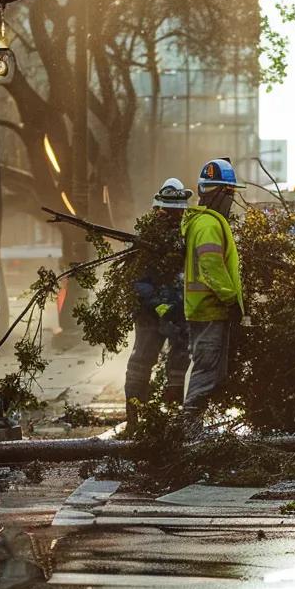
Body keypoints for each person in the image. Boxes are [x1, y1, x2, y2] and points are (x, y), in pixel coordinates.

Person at [179, 159, 246, 431]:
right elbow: (211, 266)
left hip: (205, 308)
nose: (231, 199)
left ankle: (191, 429)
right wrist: (231, 299)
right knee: (206, 372)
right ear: (217, 192)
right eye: (229, 193)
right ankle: (187, 432)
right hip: (210, 308)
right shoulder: (208, 225)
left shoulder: (205, 222)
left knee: (212, 373)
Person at [124, 179, 193, 427]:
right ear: (157, 210)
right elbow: (136, 279)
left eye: (177, 211)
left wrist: (176, 303)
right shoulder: (145, 240)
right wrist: (157, 302)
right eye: (168, 211)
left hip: (178, 312)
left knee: (179, 361)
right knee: (141, 360)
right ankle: (133, 418)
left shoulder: (186, 238)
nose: (173, 216)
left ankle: (173, 415)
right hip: (148, 314)